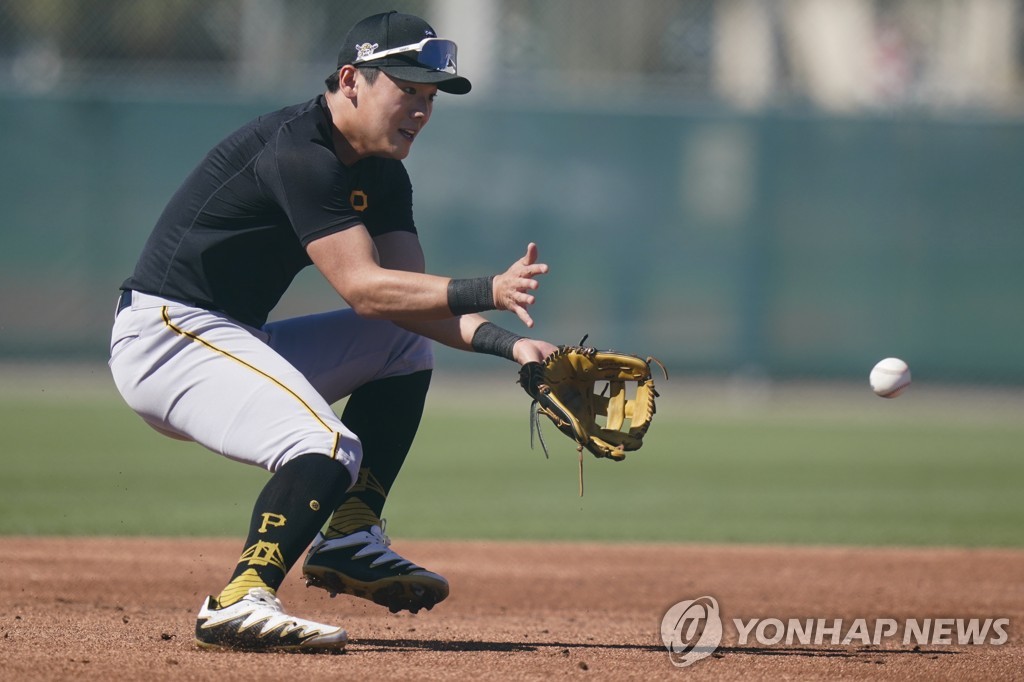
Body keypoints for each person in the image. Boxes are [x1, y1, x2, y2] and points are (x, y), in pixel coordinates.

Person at [108, 10, 557, 653]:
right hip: (167, 337)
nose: (422, 109)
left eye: (431, 96)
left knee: (404, 346)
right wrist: (490, 288)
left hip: (232, 339)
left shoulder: (383, 173)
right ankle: (241, 597)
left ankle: (349, 534)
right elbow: (365, 289)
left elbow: (406, 304)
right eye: (407, 89)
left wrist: (512, 346)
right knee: (325, 442)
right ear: (351, 80)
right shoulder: (300, 152)